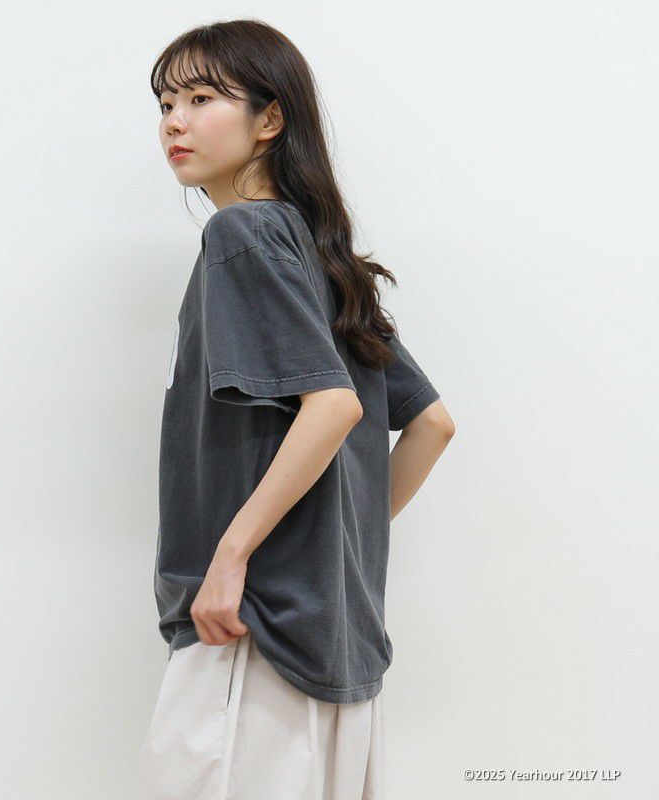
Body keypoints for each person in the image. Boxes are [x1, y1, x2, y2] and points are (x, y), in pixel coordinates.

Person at [139, 19, 455, 800]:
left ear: (270, 118)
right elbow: (431, 424)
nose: (174, 121)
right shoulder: (323, 260)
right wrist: (326, 542)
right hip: (337, 638)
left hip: (253, 629)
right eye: (166, 103)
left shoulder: (242, 235)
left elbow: (332, 407)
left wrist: (232, 556)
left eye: (202, 98)